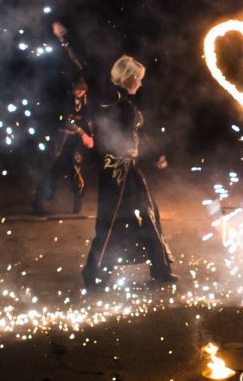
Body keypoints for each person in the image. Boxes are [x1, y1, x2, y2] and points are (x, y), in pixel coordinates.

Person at [52, 24, 177, 290]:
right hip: (114, 171)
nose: (141, 82)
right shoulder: (109, 96)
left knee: (149, 214)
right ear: (128, 77)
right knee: (110, 223)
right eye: (138, 78)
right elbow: (85, 68)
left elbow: (133, 136)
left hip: (130, 167)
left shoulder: (125, 100)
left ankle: (160, 268)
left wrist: (154, 155)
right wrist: (65, 40)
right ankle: (94, 275)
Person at [33, 75, 94, 215]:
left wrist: (90, 136)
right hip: (60, 139)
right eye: (77, 89)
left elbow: (88, 118)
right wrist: (82, 133)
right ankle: (38, 202)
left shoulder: (85, 100)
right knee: (52, 168)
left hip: (75, 141)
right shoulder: (65, 99)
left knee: (76, 169)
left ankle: (78, 204)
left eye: (82, 90)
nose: (79, 92)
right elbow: (66, 120)